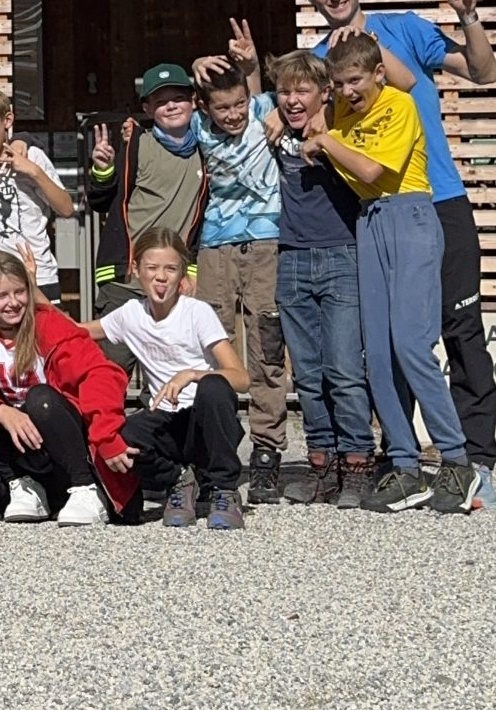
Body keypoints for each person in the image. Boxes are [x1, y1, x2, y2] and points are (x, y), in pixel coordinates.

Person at [302, 0, 496, 506]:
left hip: (437, 198)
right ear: (312, 0)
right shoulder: (319, 59)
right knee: (386, 342)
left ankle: (477, 458)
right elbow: (294, 106)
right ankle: (403, 457)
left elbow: (483, 71)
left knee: (458, 328)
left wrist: (467, 15)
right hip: (370, 210)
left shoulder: (404, 29)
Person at [0, 251, 139, 526]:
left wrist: (106, 435)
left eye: (20, 292)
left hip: (69, 445)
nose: (14, 303)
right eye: (2, 296)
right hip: (27, 452)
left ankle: (86, 488)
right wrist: (0, 411)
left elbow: (101, 374)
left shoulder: (48, 324)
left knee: (40, 399)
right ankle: (22, 485)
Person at [265, 49, 374, 508]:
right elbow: (240, 102)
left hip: (341, 254)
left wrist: (326, 122)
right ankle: (321, 463)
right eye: (284, 92)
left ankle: (358, 463)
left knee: (344, 369)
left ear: (325, 93)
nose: (292, 100)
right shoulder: (275, 129)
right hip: (291, 257)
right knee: (308, 374)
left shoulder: (343, 125)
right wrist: (273, 103)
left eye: (302, 91)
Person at [86, 228, 250, 531]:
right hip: (167, 421)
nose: (161, 277)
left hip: (205, 422)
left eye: (170, 269)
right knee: (121, 435)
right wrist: (33, 289)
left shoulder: (197, 312)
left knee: (214, 386)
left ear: (182, 274)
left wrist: (193, 374)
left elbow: (241, 378)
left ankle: (224, 489)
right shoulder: (130, 314)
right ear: (136, 269)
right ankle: (179, 480)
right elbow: (74, 330)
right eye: (152, 268)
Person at [187, 29, 286, 505]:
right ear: (206, 107)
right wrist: (194, 68)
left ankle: (267, 449)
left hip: (266, 241)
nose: (232, 115)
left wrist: (251, 69)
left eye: (239, 104)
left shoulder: (266, 109)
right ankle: (217, 449)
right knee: (214, 346)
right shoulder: (198, 126)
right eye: (222, 107)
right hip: (215, 246)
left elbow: (276, 90)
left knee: (267, 344)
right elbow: (171, 115)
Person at [87, 63, 209, 367]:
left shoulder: (207, 149)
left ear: (194, 102)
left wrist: (191, 271)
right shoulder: (136, 144)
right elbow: (102, 201)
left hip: (173, 283)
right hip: (126, 282)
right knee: (111, 373)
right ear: (147, 108)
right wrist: (103, 170)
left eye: (178, 98)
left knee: (170, 375)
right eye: (161, 101)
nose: (171, 106)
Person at [0, 86, 74, 303]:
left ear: (7, 120)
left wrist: (33, 171)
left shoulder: (33, 156)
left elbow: (66, 208)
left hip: (38, 275)